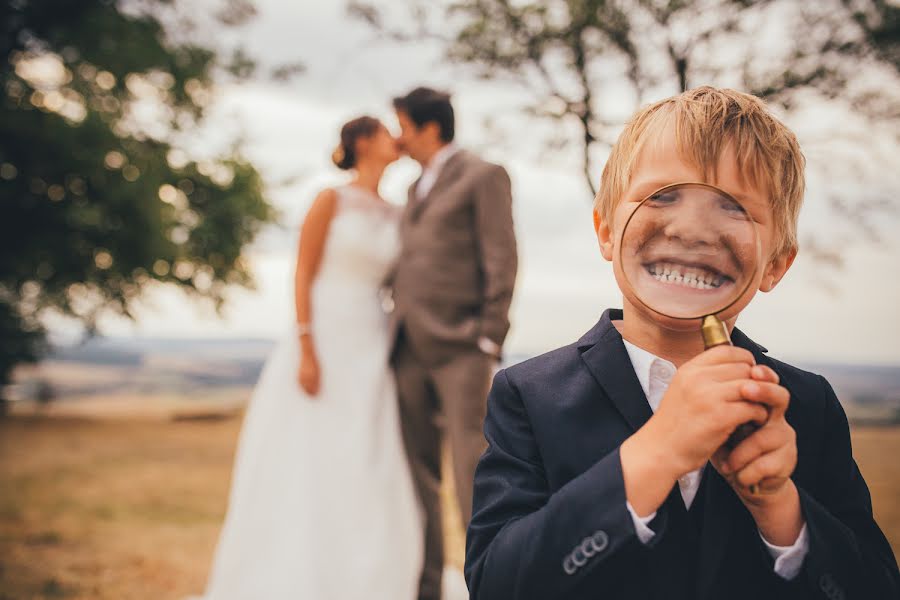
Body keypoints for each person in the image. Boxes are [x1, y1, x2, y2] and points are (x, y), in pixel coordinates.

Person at [465, 87, 900, 599]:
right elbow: (496, 583)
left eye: (733, 208)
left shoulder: (807, 405)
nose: (692, 229)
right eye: (663, 195)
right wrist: (655, 453)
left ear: (776, 263)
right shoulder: (528, 394)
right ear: (606, 231)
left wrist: (781, 509)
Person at [199, 116, 424, 599]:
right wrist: (306, 345)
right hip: (325, 330)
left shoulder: (397, 211)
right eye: (388, 133)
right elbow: (302, 273)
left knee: (365, 451)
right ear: (364, 142)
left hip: (372, 337)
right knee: (310, 451)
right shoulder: (330, 199)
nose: (397, 140)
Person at [389, 86, 518, 600]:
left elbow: (502, 256)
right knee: (419, 478)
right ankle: (428, 589)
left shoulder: (483, 176)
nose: (397, 137)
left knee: (472, 475)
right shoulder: (412, 187)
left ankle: (484, 586)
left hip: (462, 348)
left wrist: (489, 337)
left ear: (428, 128)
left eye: (401, 126)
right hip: (406, 350)